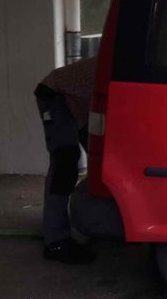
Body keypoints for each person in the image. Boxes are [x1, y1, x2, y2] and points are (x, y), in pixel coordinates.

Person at [33, 57, 97, 264]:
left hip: (80, 103)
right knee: (65, 163)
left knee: (101, 158)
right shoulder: (127, 58)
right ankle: (56, 242)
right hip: (56, 96)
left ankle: (97, 222)